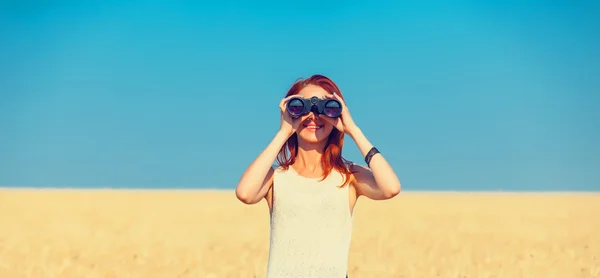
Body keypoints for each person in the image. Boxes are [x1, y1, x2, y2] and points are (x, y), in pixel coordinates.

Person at [235, 74, 401, 278]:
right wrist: (284, 132)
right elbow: (244, 193)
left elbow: (390, 187)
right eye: (301, 107)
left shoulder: (348, 176)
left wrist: (353, 130)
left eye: (326, 108)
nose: (313, 116)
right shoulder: (275, 178)